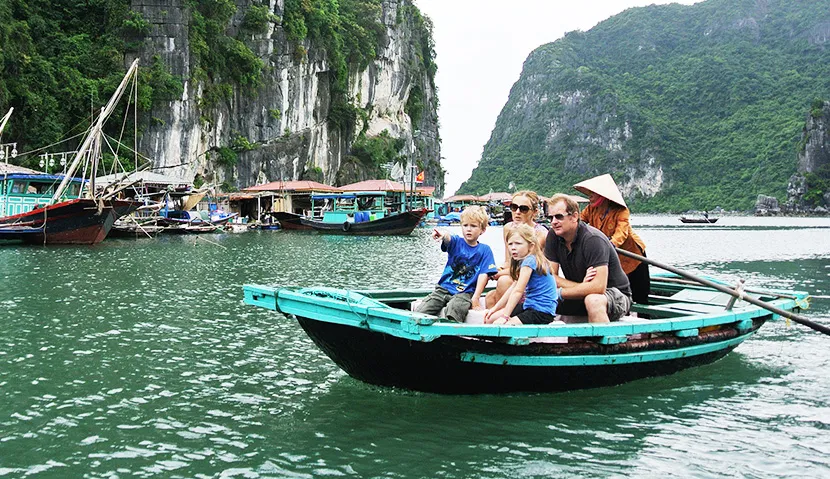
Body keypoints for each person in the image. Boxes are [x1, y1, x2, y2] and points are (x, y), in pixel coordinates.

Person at [544, 194, 632, 323]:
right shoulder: (553, 235)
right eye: (550, 218)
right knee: (532, 297)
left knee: (593, 300)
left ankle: (606, 342)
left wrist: (560, 292)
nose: (553, 222)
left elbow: (598, 288)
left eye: (559, 217)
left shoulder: (592, 239)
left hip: (614, 295)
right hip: (580, 293)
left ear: (574, 217)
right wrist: (583, 286)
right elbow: (550, 278)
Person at [573, 174, 650, 305]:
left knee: (640, 294)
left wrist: (609, 245)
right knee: (614, 290)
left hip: (633, 256)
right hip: (612, 258)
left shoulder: (621, 211)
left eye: (593, 193)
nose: (589, 196)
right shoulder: (591, 209)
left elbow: (622, 233)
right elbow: (578, 222)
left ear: (602, 196)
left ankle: (646, 321)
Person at [417, 205, 498, 322]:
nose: (468, 229)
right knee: (424, 308)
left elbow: (484, 275)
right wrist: (443, 235)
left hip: (465, 292)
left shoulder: (485, 250)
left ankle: (450, 331)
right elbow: (448, 238)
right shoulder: (457, 242)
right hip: (443, 288)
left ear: (483, 230)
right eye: (465, 225)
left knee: (456, 308)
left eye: (473, 226)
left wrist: (475, 297)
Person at [484, 224, 559, 325]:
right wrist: (495, 308)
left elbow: (518, 291)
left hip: (541, 312)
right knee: (490, 318)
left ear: (531, 246)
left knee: (502, 325)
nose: (513, 248)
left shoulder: (530, 261)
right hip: (529, 306)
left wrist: (505, 317)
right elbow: (513, 288)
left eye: (518, 244)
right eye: (510, 244)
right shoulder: (523, 260)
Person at [485, 190, 548, 308]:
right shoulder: (508, 228)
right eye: (514, 207)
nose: (517, 212)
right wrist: (493, 270)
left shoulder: (540, 234)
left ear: (534, 212)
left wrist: (497, 274)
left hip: (531, 278)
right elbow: (509, 262)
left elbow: (525, 268)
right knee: (489, 296)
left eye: (523, 209)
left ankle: (504, 318)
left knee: (503, 281)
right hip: (515, 274)